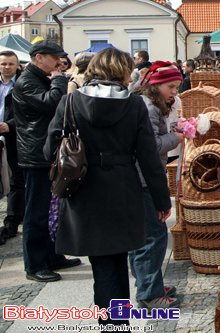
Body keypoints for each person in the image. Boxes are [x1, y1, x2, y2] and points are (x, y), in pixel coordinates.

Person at [44, 48, 172, 328]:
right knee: (117, 260)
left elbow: (49, 150)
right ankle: (117, 322)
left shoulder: (70, 101)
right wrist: (163, 200)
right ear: (124, 71)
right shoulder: (135, 104)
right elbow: (149, 158)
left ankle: (110, 322)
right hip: (123, 189)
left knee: (102, 264)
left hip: (85, 190)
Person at [12, 40, 79, 282]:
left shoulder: (39, 78)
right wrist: (60, 79)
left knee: (53, 210)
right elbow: (54, 103)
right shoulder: (28, 81)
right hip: (36, 156)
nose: (59, 62)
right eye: (54, 58)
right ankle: (35, 264)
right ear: (39, 57)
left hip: (46, 152)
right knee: (37, 212)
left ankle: (51, 255)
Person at [130, 62, 183, 309]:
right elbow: (149, 148)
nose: (174, 92)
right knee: (153, 235)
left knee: (142, 234)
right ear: (155, 84)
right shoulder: (149, 107)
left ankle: (146, 282)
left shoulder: (143, 102)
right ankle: (149, 293)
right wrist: (177, 137)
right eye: (171, 86)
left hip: (138, 178)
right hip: (144, 179)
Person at [0, 50, 23, 244]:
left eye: (10, 64)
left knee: (15, 180)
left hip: (14, 137)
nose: (7, 67)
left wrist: (11, 124)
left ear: (17, 65)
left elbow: (27, 114)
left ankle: (12, 222)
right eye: (3, 64)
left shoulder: (22, 84)